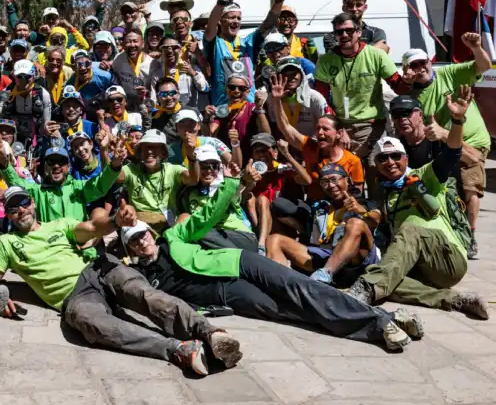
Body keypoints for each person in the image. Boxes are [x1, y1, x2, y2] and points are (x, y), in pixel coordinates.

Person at [121, 173, 422, 352]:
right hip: (227, 295)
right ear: (129, 248)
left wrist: (232, 186)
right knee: (291, 312)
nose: (141, 241)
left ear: (150, 232)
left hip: (238, 263)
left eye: (142, 234)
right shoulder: (143, 277)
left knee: (300, 289)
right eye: (133, 240)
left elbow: (204, 217)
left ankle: (380, 323)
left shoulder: (172, 237)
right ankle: (384, 318)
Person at [0, 187, 242, 376]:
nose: (21, 210)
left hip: (98, 268)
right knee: (96, 326)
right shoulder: (6, 243)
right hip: (73, 296)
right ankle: (179, 349)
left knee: (145, 294)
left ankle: (211, 333)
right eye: (12, 208)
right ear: (7, 214)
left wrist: (116, 221)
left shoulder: (59, 225)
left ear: (32, 203)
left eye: (24, 203)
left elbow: (93, 228)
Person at [346, 87, 488, 319]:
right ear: (378, 166)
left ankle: (366, 289)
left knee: (410, 231)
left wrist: (457, 120)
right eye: (383, 158)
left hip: (446, 257)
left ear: (405, 159)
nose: (390, 162)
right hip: (420, 265)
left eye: (395, 156)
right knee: (383, 274)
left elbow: (453, 152)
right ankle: (455, 300)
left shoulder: (425, 174)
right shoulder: (387, 196)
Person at [399, 33, 491, 258]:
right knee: (450, 189)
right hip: (445, 144)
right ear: (407, 70)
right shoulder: (413, 96)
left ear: (430, 61)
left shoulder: (449, 73)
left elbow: (484, 65)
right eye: (414, 65)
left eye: (423, 62)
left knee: (471, 187)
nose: (421, 68)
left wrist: (477, 47)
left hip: (474, 140)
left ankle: (470, 237)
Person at [266, 162, 379, 286]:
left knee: (355, 223)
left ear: (347, 180)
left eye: (334, 179)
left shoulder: (364, 202)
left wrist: (361, 211)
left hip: (357, 261)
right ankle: (278, 284)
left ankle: (326, 273)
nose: (330, 185)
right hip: (326, 255)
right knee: (274, 239)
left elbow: (376, 219)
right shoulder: (320, 208)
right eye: (325, 182)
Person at [314, 13, 402, 159]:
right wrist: (339, 129)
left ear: (359, 32)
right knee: (341, 175)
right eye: (339, 32)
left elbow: (398, 86)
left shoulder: (376, 55)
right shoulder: (325, 60)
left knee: (374, 173)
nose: (344, 35)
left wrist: (409, 81)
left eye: (349, 30)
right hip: (341, 126)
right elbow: (322, 99)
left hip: (371, 125)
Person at [269, 73, 364, 201]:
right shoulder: (310, 147)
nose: (320, 133)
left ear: (339, 133)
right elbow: (286, 127)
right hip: (315, 208)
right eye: (318, 128)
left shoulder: (353, 161)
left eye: (325, 129)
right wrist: (277, 100)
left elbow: (357, 195)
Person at [203, 0, 286, 106]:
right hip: (222, 108)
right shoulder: (215, 43)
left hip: (248, 107)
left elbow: (269, 23)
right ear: (220, 21)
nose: (236, 21)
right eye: (231, 17)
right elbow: (210, 28)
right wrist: (222, 1)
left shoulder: (248, 41)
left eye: (238, 18)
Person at [0, 137, 121, 223]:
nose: (56, 166)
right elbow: (17, 184)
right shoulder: (38, 192)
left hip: (77, 245)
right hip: (52, 248)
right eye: (51, 162)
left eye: (61, 162)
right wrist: (4, 164)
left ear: (68, 167)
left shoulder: (79, 187)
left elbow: (100, 185)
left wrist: (115, 164)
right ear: (45, 167)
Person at [174, 146, 257, 252]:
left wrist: (244, 180)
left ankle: (243, 258)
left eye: (214, 166)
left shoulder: (225, 185)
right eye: (204, 166)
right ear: (196, 167)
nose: (209, 170)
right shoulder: (188, 192)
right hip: (214, 239)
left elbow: (235, 192)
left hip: (241, 237)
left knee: (197, 230)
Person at [113, 129, 197, 230]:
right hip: (139, 226)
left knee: (185, 217)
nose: (149, 151)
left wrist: (191, 157)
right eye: (145, 148)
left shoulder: (173, 169)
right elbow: (115, 177)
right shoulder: (131, 169)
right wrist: (113, 158)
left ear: (163, 153)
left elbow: (193, 180)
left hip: (168, 224)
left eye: (154, 147)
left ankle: (166, 241)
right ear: (140, 152)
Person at [241, 134, 310, 255]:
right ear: (252, 155)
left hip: (281, 221)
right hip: (258, 221)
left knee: (262, 200)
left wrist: (287, 154)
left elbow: (306, 180)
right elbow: (239, 200)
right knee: (251, 198)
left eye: (264, 151)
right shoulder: (249, 172)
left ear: (274, 152)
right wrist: (249, 182)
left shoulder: (282, 169)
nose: (261, 155)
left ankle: (261, 243)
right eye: (257, 151)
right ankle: (260, 240)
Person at [263, 57, 327, 140]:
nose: (291, 78)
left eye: (294, 74)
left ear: (301, 75)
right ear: (278, 76)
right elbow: (274, 123)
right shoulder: (272, 98)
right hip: (285, 145)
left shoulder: (315, 97)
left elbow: (327, 125)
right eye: (286, 74)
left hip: (312, 145)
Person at [0, 59, 52, 153]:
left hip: (35, 136)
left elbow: (45, 125)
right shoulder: (6, 94)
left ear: (34, 76)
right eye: (20, 76)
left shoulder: (43, 95)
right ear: (14, 77)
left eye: (28, 76)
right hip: (12, 136)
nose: (24, 80)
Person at [322, 0, 387, 51]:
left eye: (358, 5)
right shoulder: (330, 37)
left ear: (365, 7)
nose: (354, 9)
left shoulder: (376, 33)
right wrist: (374, 48)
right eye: (350, 5)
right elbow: (338, 55)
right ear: (343, 8)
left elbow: (377, 56)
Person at [112, 30, 162, 110]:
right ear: (124, 44)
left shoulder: (153, 64)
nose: (132, 45)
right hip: (124, 106)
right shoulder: (118, 59)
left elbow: (156, 92)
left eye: (135, 41)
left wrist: (147, 92)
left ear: (143, 44)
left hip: (145, 106)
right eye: (128, 42)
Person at [157, 35, 209, 110]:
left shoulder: (190, 67)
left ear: (180, 49)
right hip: (167, 114)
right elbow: (154, 98)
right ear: (161, 51)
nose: (170, 51)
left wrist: (193, 73)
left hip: (189, 114)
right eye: (166, 48)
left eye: (174, 47)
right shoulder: (158, 73)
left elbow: (204, 88)